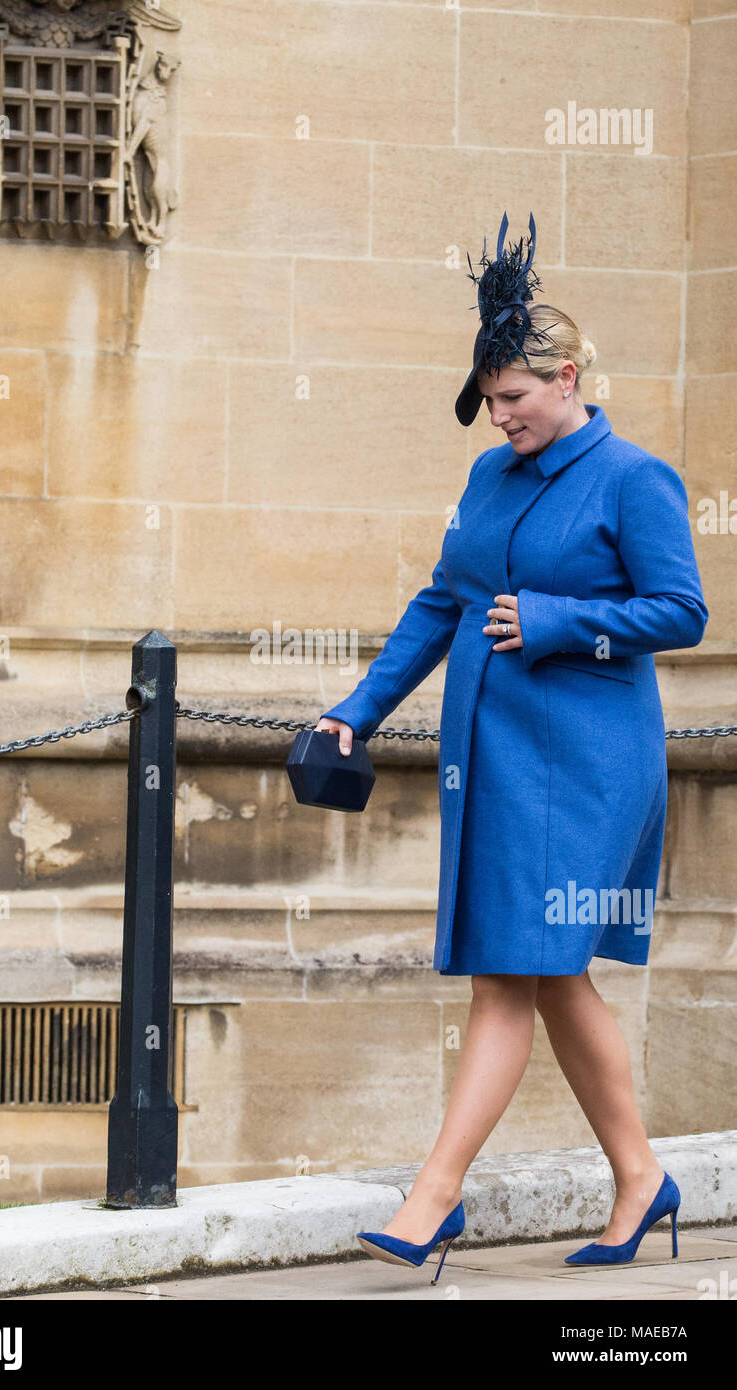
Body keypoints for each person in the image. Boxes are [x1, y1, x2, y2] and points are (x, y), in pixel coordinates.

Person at [315, 213, 707, 1281]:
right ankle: (639, 1176)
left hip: (586, 766)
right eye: (489, 404)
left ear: (566, 377)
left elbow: (681, 611)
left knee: (511, 973)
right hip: (493, 760)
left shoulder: (633, 478)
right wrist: (357, 707)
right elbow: (440, 603)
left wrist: (554, 621)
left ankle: (431, 1197)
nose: (498, 420)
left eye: (513, 400)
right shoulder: (490, 480)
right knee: (543, 972)